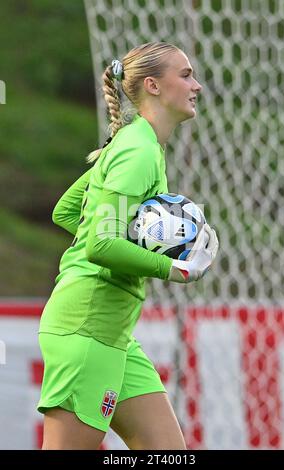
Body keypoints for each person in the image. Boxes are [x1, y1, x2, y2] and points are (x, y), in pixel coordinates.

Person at [37, 42, 219, 450]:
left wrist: (128, 238)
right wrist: (174, 268)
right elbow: (101, 245)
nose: (198, 85)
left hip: (115, 336)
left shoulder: (138, 144)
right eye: (186, 75)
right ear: (153, 86)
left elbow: (67, 213)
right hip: (87, 331)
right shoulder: (137, 151)